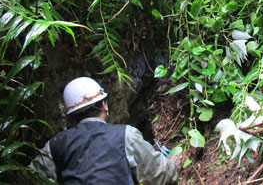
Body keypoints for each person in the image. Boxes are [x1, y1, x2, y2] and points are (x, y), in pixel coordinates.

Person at [30, 77, 179, 184]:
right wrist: (173, 162)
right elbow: (161, 175)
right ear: (104, 105)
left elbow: (27, 177)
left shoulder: (55, 145)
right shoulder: (126, 135)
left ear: (71, 117)